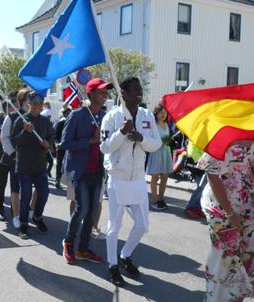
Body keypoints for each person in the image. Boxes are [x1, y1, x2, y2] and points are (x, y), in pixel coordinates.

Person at [100, 77, 161, 286]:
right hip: (117, 177)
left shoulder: (147, 116)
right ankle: (112, 264)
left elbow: (156, 144)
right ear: (123, 92)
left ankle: (125, 256)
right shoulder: (111, 117)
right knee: (114, 226)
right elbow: (105, 147)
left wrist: (141, 138)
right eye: (134, 89)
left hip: (137, 179)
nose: (139, 93)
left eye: (140, 90)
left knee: (142, 225)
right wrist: (122, 132)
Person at [60, 78, 112, 265]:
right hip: (80, 172)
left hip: (98, 171)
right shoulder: (76, 115)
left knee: (91, 213)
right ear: (90, 94)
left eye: (106, 93)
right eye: (101, 92)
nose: (105, 95)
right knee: (81, 210)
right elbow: (64, 143)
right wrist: (90, 141)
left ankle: (83, 249)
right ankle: (68, 243)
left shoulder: (106, 116)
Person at [197, 141, 254, 302]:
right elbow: (212, 175)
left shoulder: (252, 136)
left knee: (244, 255)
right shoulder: (222, 136)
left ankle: (234, 297)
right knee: (224, 255)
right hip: (220, 206)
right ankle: (213, 298)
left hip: (247, 204)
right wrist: (230, 212)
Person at [11, 91, 54, 239]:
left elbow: (51, 139)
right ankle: (23, 224)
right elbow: (14, 142)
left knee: (44, 192)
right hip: (24, 166)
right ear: (29, 104)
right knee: (26, 195)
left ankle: (37, 216)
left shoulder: (46, 122)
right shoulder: (21, 120)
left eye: (39, 104)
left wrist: (48, 144)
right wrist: (25, 131)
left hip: (40, 166)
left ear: (42, 106)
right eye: (34, 103)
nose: (36, 106)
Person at [1, 87, 31, 228]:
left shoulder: (35, 116)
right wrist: (12, 153)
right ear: (22, 101)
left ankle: (30, 211)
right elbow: (4, 138)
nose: (33, 102)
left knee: (36, 187)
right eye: (30, 98)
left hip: (33, 160)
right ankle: (16, 215)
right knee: (15, 188)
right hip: (15, 159)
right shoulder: (11, 117)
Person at [0, 90, 18, 221]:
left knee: (15, 184)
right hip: (2, 157)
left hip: (16, 158)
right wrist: (4, 137)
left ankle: (14, 209)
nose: (14, 108)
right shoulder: (0, 118)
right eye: (13, 104)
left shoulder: (20, 118)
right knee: (1, 182)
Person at [146, 103, 173, 210]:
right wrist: (160, 141)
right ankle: (154, 199)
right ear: (156, 113)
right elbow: (150, 138)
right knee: (155, 177)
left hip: (165, 152)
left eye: (165, 113)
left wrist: (168, 140)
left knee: (165, 176)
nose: (163, 115)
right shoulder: (153, 125)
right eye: (161, 113)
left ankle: (161, 198)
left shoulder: (166, 125)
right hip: (156, 152)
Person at [54, 106, 71, 189]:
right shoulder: (60, 123)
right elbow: (56, 135)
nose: (68, 114)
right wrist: (57, 144)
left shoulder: (72, 122)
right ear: (64, 114)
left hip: (70, 147)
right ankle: (57, 180)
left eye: (69, 113)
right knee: (59, 164)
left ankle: (69, 181)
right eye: (67, 113)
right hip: (61, 146)